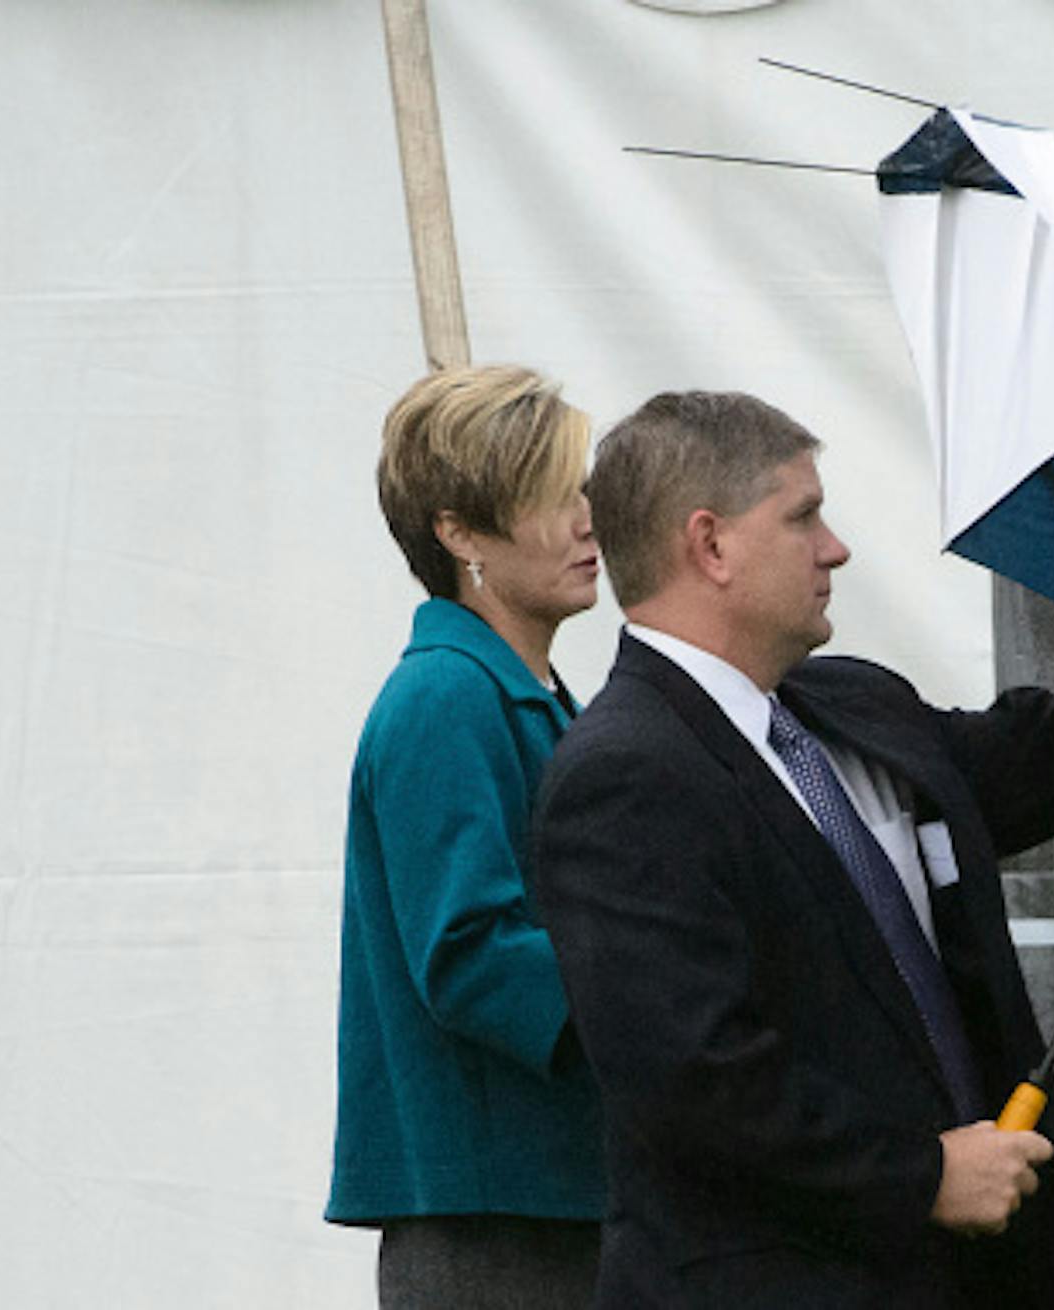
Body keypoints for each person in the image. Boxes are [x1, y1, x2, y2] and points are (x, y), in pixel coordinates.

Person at [530, 391, 1054, 1308]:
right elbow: (694, 1082)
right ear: (711, 544)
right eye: (803, 515)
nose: (836, 547)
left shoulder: (845, 706)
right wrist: (922, 1177)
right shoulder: (622, 774)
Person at [328, 365, 610, 1308]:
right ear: (458, 532)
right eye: (550, 497)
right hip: (500, 1232)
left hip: (554, 1205)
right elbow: (471, 955)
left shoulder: (521, 694)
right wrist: (655, 1003)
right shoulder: (445, 697)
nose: (587, 521)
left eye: (581, 489)